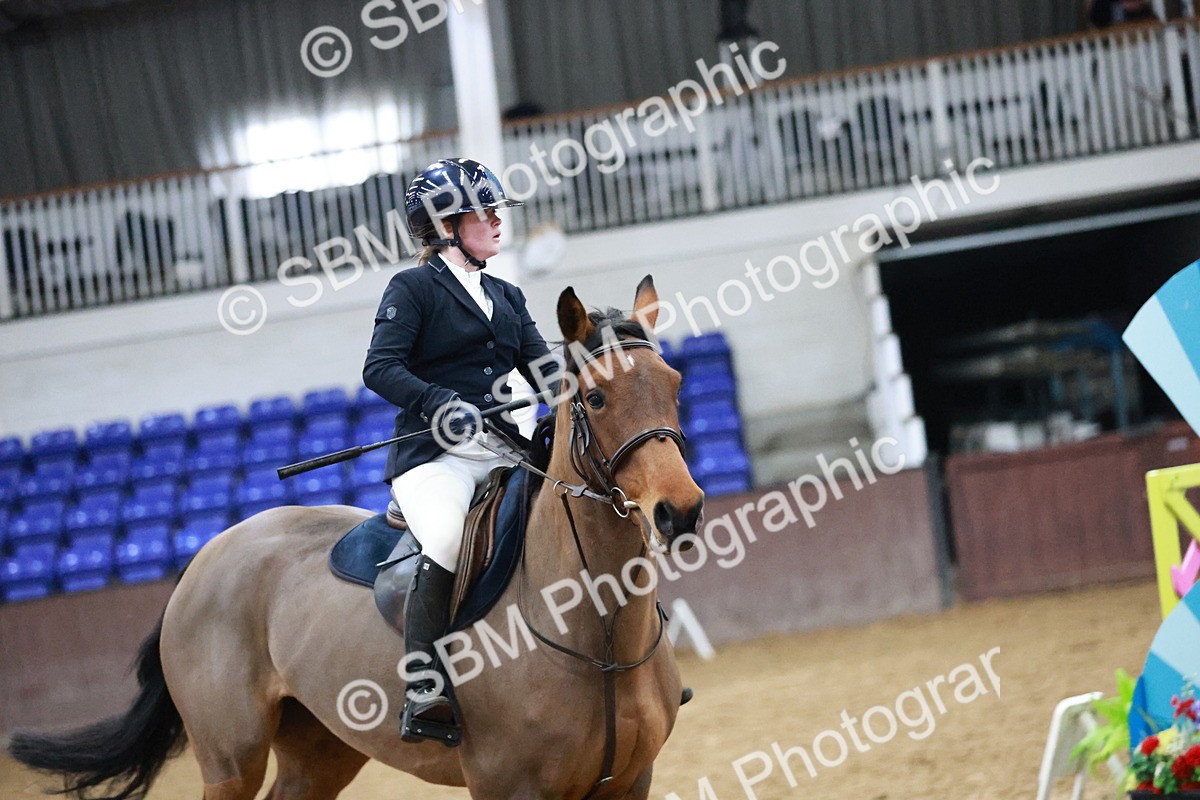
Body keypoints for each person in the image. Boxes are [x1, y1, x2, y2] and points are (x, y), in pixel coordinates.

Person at [362, 157, 558, 743]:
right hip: (436, 459)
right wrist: (438, 400)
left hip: (505, 451)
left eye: (498, 211)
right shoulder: (414, 288)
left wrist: (588, 383)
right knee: (447, 536)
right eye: (485, 212)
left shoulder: (507, 293)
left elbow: (547, 372)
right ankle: (424, 685)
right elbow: (380, 367)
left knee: (581, 511)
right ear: (445, 224)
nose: (498, 222)